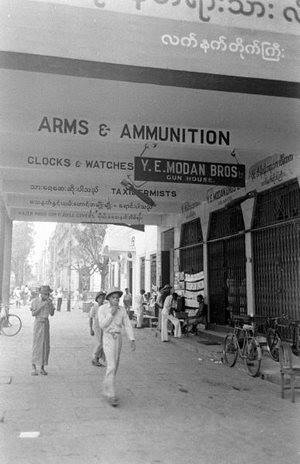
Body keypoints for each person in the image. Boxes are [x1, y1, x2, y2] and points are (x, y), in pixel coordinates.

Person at [98, 287, 135, 407]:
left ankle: (107, 386)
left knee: (115, 366)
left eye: (117, 298)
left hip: (118, 338)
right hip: (108, 337)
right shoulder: (102, 309)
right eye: (113, 298)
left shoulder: (122, 310)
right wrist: (111, 314)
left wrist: (132, 339)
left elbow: (128, 325)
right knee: (111, 365)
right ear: (108, 299)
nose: (116, 300)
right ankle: (110, 394)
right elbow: (102, 325)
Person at [30, 285, 55, 376]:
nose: (47, 295)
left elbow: (52, 314)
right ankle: (33, 366)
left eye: (48, 294)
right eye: (45, 294)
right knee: (37, 344)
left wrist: (50, 306)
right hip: (38, 322)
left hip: (46, 323)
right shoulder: (35, 301)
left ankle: (42, 367)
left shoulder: (50, 301)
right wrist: (42, 305)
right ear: (41, 293)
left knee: (45, 345)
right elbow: (33, 313)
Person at [89, 291, 106, 367]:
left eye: (103, 298)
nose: (102, 299)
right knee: (99, 343)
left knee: (104, 343)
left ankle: (97, 359)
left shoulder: (105, 307)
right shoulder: (94, 307)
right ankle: (94, 358)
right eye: (100, 298)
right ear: (97, 299)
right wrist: (91, 329)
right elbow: (90, 318)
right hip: (97, 326)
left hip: (104, 326)